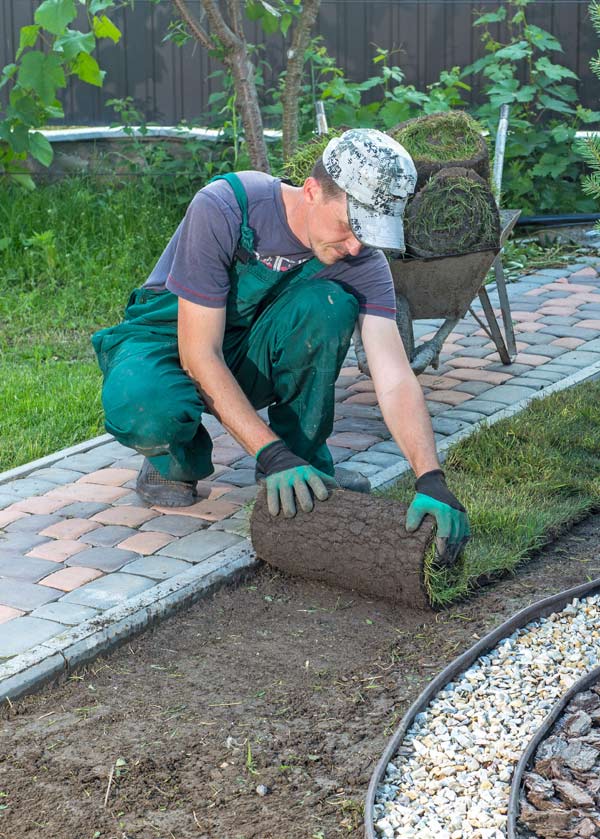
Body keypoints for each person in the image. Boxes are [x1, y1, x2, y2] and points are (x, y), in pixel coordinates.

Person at [92, 128, 470, 565]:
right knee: (145, 406)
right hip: (168, 339)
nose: (355, 246)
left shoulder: (361, 262)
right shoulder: (227, 207)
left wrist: (431, 477)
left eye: (368, 235)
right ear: (311, 191)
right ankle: (174, 461)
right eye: (349, 227)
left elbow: (394, 376)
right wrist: (270, 453)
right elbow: (200, 354)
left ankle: (303, 464)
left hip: (248, 350)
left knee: (326, 305)